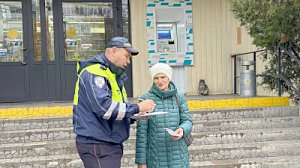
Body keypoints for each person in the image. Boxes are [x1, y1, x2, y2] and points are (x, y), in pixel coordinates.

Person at [73, 36, 155, 168]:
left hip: (106, 142)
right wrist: (137, 107)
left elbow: (115, 110)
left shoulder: (112, 74)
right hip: (98, 143)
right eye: (126, 56)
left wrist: (134, 117)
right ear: (113, 51)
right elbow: (104, 108)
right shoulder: (94, 72)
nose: (128, 61)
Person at [135, 63, 193, 168]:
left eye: (163, 77)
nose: (160, 81)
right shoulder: (145, 99)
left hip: (178, 157)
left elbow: (187, 120)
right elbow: (142, 135)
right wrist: (141, 162)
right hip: (155, 159)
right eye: (156, 78)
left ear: (169, 78)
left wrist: (182, 129)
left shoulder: (179, 98)